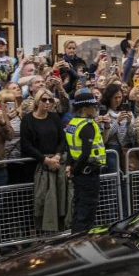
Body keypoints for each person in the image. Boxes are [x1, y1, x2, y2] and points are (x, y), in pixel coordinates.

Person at [22, 88, 70, 233]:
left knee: (61, 196)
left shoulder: (54, 117)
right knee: (43, 198)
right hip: (38, 165)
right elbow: (26, 145)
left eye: (50, 100)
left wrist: (57, 155)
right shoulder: (28, 120)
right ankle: (41, 231)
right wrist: (45, 160)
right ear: (37, 101)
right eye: (44, 100)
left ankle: (61, 228)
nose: (48, 103)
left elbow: (62, 139)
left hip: (56, 162)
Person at [64, 88, 107, 233]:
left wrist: (70, 166)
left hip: (80, 173)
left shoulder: (73, 123)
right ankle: (80, 241)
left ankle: (75, 239)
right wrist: (76, 170)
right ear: (84, 108)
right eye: (93, 106)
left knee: (79, 209)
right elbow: (85, 153)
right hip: (87, 173)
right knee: (87, 211)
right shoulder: (87, 126)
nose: (96, 109)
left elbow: (70, 148)